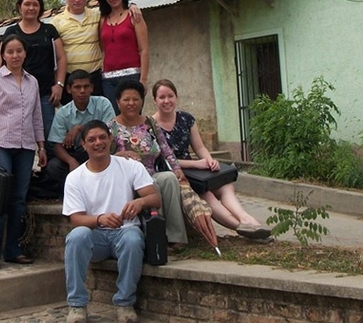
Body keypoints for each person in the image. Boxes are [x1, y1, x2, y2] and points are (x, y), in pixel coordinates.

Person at [62, 119, 160, 323]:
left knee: (133, 238)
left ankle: (125, 303)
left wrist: (140, 202)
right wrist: (99, 219)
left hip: (125, 231)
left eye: (102, 137)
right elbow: (76, 219)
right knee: (76, 236)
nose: (98, 143)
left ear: (110, 139)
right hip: (95, 236)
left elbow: (155, 198)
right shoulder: (75, 177)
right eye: (92, 139)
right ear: (84, 145)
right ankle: (77, 305)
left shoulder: (129, 166)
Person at [151, 79, 271, 240]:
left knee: (225, 185)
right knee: (207, 195)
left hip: (196, 169)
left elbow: (200, 148)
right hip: (174, 174)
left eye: (170, 96)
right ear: (155, 100)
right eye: (162, 97)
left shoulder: (186, 119)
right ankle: (242, 228)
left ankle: (245, 218)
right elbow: (163, 159)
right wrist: (197, 164)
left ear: (177, 97)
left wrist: (209, 160)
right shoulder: (151, 125)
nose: (167, 101)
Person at [0, 34, 47, 270]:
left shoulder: (32, 82)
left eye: (19, 51)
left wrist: (41, 146)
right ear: (3, 55)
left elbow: (37, 115)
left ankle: (14, 250)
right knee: (1, 197)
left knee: (19, 200)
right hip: (0, 144)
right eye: (10, 52)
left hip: (26, 146)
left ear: (25, 53)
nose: (15, 56)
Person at [107, 79, 188, 246]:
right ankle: (158, 237)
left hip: (151, 172)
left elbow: (165, 149)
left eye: (136, 99)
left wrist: (177, 168)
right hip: (129, 180)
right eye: (126, 100)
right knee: (154, 187)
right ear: (118, 102)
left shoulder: (150, 123)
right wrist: (120, 155)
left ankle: (176, 237)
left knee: (169, 179)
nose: (131, 103)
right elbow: (104, 159)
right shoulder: (111, 128)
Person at [52, 0, 142, 104]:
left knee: (100, 117)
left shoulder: (98, 16)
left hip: (95, 78)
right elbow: (56, 56)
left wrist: (132, 5)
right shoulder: (56, 23)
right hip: (71, 79)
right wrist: (59, 83)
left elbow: (116, 11)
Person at [1, 0, 67, 139]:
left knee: (49, 134)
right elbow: (2, 61)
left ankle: (49, 161)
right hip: (18, 93)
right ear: (19, 7)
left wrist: (59, 85)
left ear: (40, 8)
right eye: (27, 4)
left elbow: (61, 58)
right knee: (20, 134)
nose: (31, 8)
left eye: (35, 5)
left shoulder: (49, 30)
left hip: (45, 93)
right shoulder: (11, 31)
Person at [43, 69, 116, 195]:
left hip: (101, 151)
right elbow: (56, 145)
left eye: (86, 86)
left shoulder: (103, 103)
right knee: (53, 166)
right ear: (69, 89)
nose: (82, 91)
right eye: (77, 87)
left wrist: (80, 128)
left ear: (92, 88)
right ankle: (76, 191)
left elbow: (110, 131)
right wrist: (71, 161)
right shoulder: (63, 113)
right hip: (77, 154)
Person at [97, 0, 148, 113]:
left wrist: (143, 79)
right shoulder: (102, 19)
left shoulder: (134, 16)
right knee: (113, 121)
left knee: (133, 118)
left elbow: (144, 50)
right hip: (108, 80)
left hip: (132, 76)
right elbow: (104, 48)